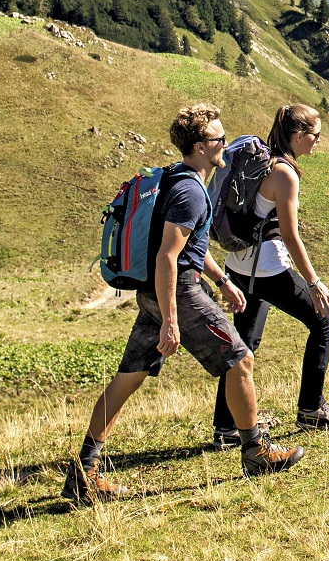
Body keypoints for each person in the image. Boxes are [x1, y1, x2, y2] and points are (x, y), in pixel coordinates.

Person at [68, 103, 304, 505]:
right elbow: (167, 256)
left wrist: (223, 281)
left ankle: (84, 470)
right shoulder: (191, 191)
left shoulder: (177, 178)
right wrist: (171, 321)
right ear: (200, 146)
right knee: (240, 360)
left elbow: (191, 244)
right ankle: (256, 452)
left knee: (129, 377)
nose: (226, 143)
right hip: (178, 293)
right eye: (219, 138)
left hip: (154, 294)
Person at [212, 103, 329, 448]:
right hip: (267, 269)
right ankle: (311, 409)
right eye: (316, 134)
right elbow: (290, 236)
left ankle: (226, 428)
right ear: (299, 135)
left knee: (241, 346)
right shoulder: (284, 173)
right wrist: (314, 282)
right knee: (324, 322)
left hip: (237, 266)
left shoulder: (262, 161)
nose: (318, 141)